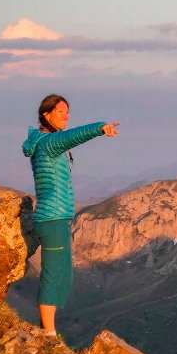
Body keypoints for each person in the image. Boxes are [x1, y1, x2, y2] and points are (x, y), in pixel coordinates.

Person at [22, 94, 120, 336]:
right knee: (53, 274)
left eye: (68, 111)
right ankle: (49, 333)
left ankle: (49, 329)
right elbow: (73, 136)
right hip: (52, 219)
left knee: (63, 274)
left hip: (57, 218)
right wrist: (100, 128)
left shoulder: (46, 141)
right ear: (47, 115)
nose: (66, 115)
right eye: (61, 111)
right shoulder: (49, 142)